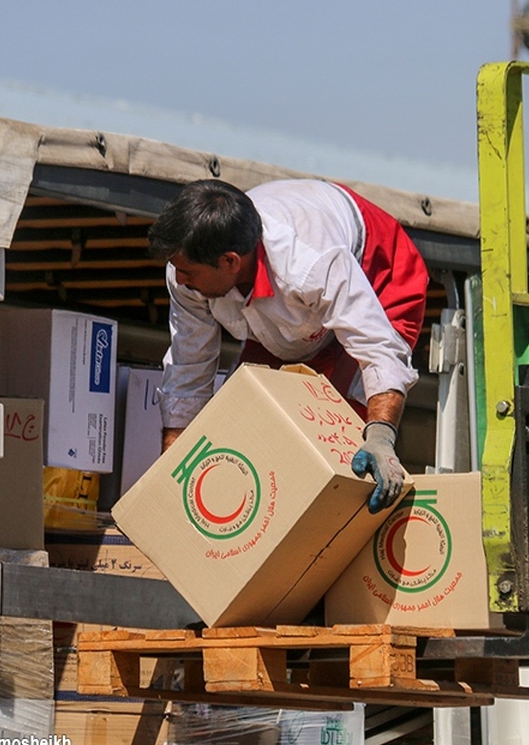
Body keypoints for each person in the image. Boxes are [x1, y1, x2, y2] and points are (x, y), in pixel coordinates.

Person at [148, 178, 429, 513]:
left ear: (230, 262)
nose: (179, 279)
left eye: (187, 272)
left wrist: (381, 436)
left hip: (378, 276)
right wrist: (172, 473)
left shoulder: (310, 261)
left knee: (339, 437)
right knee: (244, 424)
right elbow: (188, 368)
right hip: (297, 311)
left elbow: (378, 349)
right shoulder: (186, 271)